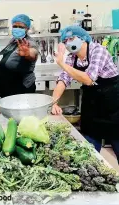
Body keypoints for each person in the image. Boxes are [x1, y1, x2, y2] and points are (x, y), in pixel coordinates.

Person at [51, 26, 119, 161]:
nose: (68, 43)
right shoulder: (72, 57)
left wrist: (61, 64)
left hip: (113, 105)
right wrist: (54, 102)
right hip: (92, 107)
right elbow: (64, 79)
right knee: (89, 154)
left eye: (71, 39)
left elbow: (89, 79)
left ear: (83, 38)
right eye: (65, 41)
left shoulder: (98, 50)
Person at [0, 14, 39, 102]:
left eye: (21, 27)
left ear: (27, 29)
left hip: (20, 89)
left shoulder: (29, 43)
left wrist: (27, 53)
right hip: (7, 86)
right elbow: (6, 61)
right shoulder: (13, 41)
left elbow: (33, 54)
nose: (17, 28)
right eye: (15, 26)